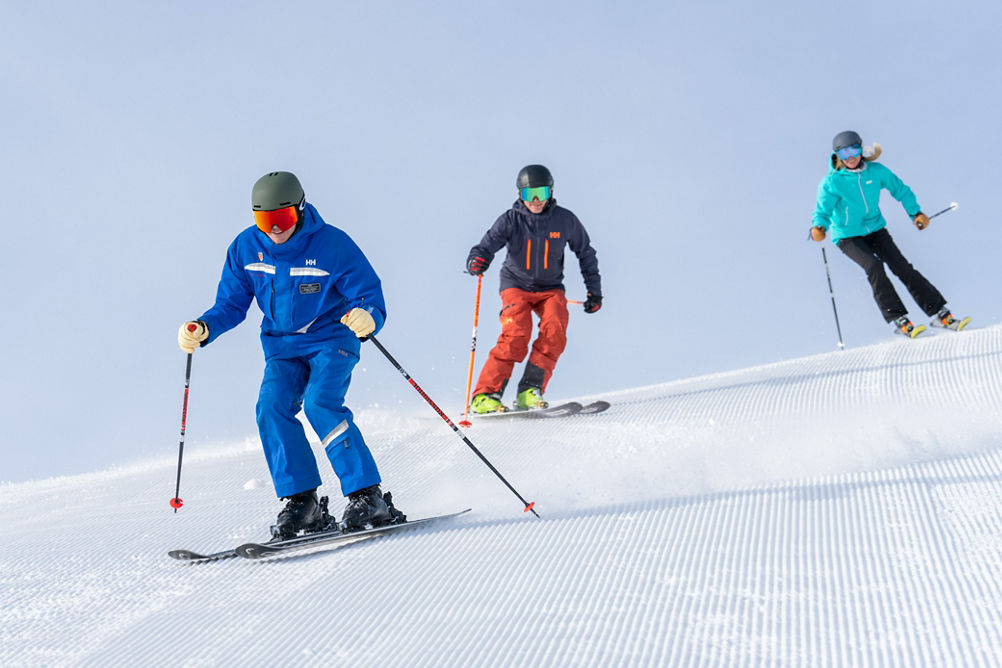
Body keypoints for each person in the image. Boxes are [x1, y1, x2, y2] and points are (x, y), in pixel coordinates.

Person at [177, 170, 400, 538]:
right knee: (271, 407)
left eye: (282, 219)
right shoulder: (246, 247)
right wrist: (204, 328)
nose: (275, 229)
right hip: (281, 346)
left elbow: (369, 294)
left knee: (320, 404)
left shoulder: (332, 245)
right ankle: (303, 503)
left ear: (301, 209)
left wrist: (368, 316)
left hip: (332, 338)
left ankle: (366, 496)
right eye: (265, 221)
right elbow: (231, 304)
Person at [465, 164, 602, 413]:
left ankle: (529, 391)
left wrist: (594, 291)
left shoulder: (565, 220)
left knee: (555, 331)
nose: (536, 201)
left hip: (550, 288)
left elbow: (586, 253)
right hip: (516, 286)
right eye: (529, 195)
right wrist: (478, 259)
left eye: (541, 193)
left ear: (551, 192)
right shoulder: (511, 219)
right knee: (516, 334)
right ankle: (485, 395)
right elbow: (485, 245)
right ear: (520, 195)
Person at [810, 131, 968, 336]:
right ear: (837, 156)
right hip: (847, 236)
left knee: (902, 267)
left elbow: (900, 190)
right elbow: (822, 211)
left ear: (861, 149)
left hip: (876, 230)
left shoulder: (876, 172)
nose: (850, 157)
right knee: (874, 266)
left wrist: (916, 213)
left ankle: (940, 313)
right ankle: (898, 318)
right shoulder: (832, 182)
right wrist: (819, 227)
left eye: (854, 150)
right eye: (844, 152)